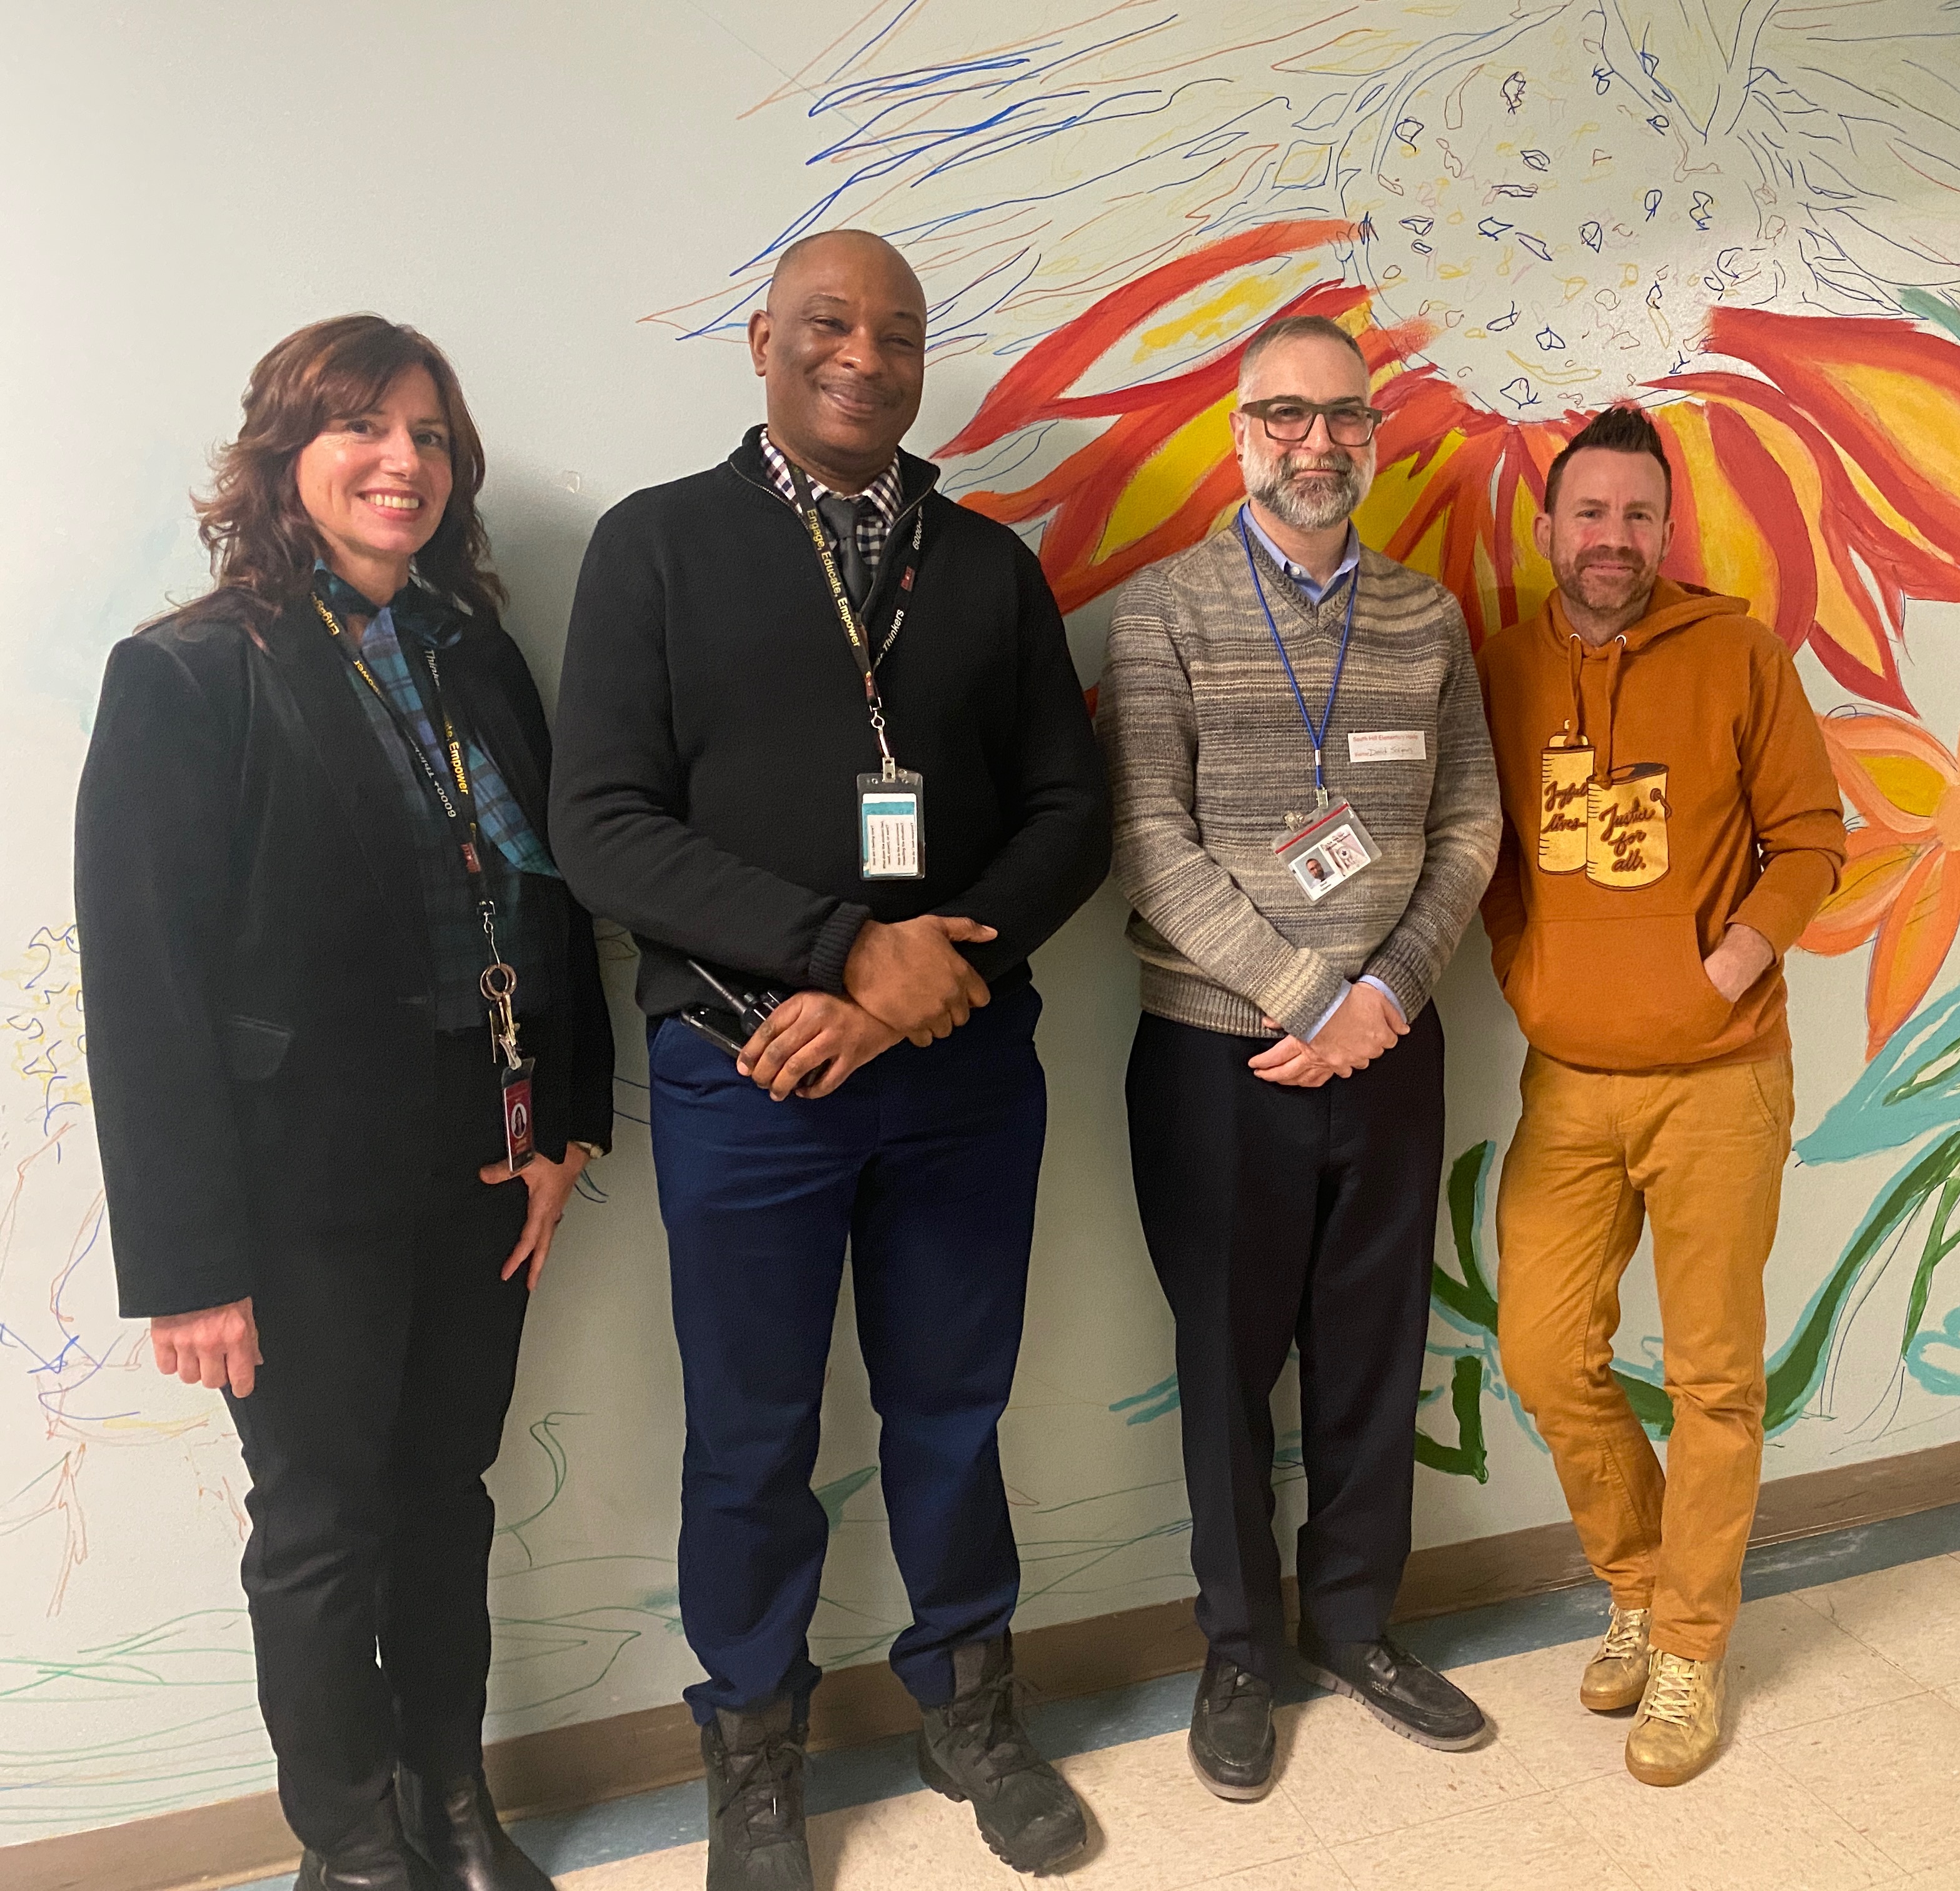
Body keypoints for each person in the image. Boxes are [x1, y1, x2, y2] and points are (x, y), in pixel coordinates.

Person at [548, 230, 1110, 1883]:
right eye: (827, 325)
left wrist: (908, 983)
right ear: (761, 344)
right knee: (748, 1435)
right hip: (748, 1081)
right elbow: (601, 829)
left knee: (952, 1407)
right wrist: (840, 953)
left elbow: (1071, 814)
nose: (864, 354)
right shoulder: (654, 550)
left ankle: (969, 1701)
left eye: (898, 332)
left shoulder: (989, 566)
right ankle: (755, 1750)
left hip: (952, 1077)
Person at [76, 316, 615, 1891]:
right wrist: (187, 1266)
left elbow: (553, 912)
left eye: (433, 436)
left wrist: (561, 1132)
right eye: (365, 429)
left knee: (446, 1500)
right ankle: (356, 1846)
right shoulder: (186, 675)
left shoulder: (473, 656)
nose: (405, 462)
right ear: (284, 457)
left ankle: (456, 1807)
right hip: (295, 1191)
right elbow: (146, 991)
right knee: (321, 1531)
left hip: (482, 1164)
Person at [1100, 315, 1504, 1801]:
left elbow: (1471, 822)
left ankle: (1354, 1625)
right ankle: (1234, 1649)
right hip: (1219, 1062)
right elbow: (1146, 839)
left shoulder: (1429, 618)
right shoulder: (1164, 614)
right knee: (1225, 1365)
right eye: (1285, 416)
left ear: (1376, 437)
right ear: (1238, 434)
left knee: (1372, 1355)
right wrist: (1300, 995)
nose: (1315, 443)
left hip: (1393, 1048)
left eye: (1343, 418)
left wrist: (1384, 992)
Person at [1476, 405, 1846, 1787]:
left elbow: (1812, 834)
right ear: (1549, 528)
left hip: (1719, 1080)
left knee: (1713, 1382)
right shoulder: (1504, 664)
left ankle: (1691, 1645)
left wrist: (1730, 961)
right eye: (1590, 513)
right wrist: (1528, 969)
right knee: (1540, 1350)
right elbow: (1491, 843)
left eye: (1639, 515)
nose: (1613, 539)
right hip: (1569, 1078)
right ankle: (1637, 1583)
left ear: (1666, 530)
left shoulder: (1740, 656)